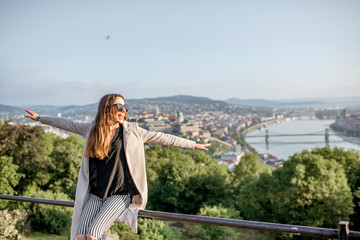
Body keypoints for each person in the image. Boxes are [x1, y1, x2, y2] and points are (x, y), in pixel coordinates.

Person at [25, 93, 210, 240]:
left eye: (125, 107)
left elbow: (163, 137)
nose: (123, 110)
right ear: (107, 108)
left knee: (92, 235)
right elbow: (66, 123)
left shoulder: (133, 131)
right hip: (96, 193)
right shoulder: (92, 129)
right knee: (79, 237)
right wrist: (41, 118)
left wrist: (193, 144)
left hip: (120, 194)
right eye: (119, 106)